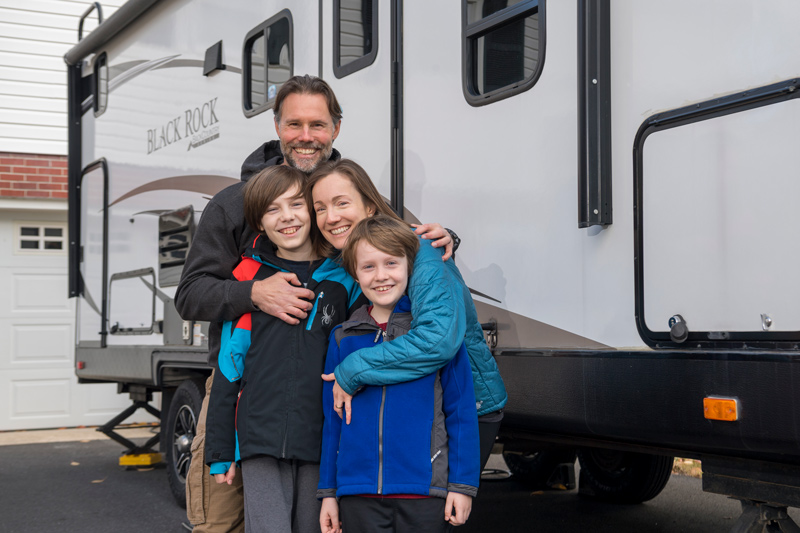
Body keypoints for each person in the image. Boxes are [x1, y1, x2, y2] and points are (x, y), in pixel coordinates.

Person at [175, 75, 454, 532]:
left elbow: (396, 249)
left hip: (323, 391)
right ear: (277, 126)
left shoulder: (352, 195)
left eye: (318, 125)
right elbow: (189, 294)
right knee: (220, 520)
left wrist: (445, 240)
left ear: (336, 129)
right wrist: (254, 293)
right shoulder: (234, 203)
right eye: (295, 124)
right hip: (243, 385)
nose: (306, 136)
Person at [307, 159, 508, 474]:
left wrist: (355, 367)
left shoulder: (421, 252)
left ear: (371, 207)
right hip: (410, 400)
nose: (331, 217)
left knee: (440, 512)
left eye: (341, 203)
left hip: (462, 407)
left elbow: (438, 339)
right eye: (320, 208)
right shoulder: (346, 260)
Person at [204, 166, 363, 532]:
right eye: (272, 209)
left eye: (296, 204)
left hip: (321, 436)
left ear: (312, 210)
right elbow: (230, 366)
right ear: (259, 222)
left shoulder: (345, 278)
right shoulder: (247, 276)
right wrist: (220, 450)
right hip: (259, 437)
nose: (287, 217)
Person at [318, 216, 480, 533]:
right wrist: (328, 493)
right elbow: (331, 423)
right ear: (354, 273)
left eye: (391, 263)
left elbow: (461, 414)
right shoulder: (342, 338)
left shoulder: (437, 336)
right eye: (368, 267)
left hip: (425, 492)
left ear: (410, 266)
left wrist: (462, 486)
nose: (381, 276)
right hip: (357, 493)